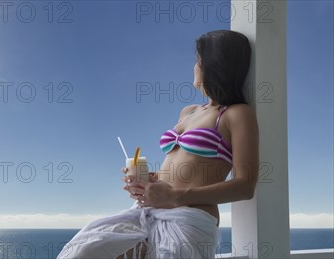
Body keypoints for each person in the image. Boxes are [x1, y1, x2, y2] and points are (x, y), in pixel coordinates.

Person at [57, 30, 259, 259]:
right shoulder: (189, 111)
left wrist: (176, 196)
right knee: (84, 250)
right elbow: (182, 169)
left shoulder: (237, 114)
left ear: (214, 65)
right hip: (148, 211)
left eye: (198, 61)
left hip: (188, 219)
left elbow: (245, 186)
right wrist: (150, 181)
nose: (194, 66)